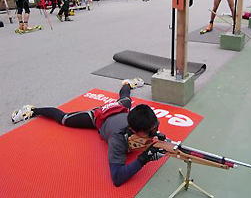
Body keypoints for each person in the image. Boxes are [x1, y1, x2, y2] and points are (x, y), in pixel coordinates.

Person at [11, 77, 167, 186]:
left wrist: (157, 138)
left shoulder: (143, 121)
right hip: (100, 116)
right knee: (64, 119)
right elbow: (117, 178)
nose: (154, 133)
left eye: (155, 128)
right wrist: (144, 158)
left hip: (120, 108)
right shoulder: (117, 139)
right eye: (149, 132)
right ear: (133, 130)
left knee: (126, 97)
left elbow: (150, 133)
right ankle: (32, 110)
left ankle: (127, 83)